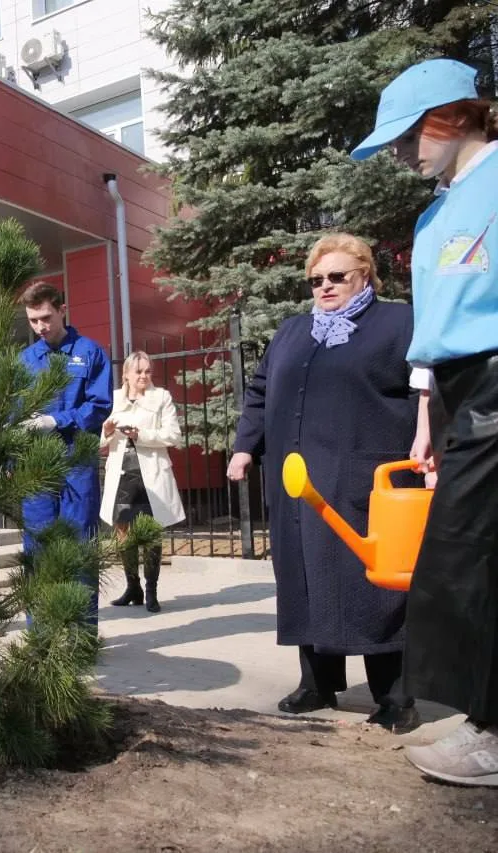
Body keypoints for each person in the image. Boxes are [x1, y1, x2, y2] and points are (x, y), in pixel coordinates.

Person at [351, 58, 498, 782]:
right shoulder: (436, 211)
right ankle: (486, 717)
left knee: (468, 556)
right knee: (467, 556)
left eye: (411, 135)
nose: (404, 153)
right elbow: (434, 331)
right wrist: (427, 416)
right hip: (457, 391)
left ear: (461, 115)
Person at [228, 232, 420, 732]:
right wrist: (245, 446)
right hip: (299, 487)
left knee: (373, 587)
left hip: (365, 477)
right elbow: (261, 390)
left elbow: (427, 387)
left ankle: (395, 696)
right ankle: (317, 683)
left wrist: (430, 444)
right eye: (316, 279)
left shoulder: (399, 322)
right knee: (305, 580)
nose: (326, 287)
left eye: (338, 276)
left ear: (365, 275)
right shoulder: (293, 331)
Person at [18, 283, 112, 623]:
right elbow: (15, 412)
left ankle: (81, 633)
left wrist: (56, 420)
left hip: (76, 465)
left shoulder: (90, 353)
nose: (41, 327)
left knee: (79, 547)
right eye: (33, 321)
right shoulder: (25, 360)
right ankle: (39, 634)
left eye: (46, 317)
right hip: (37, 467)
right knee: (38, 548)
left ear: (62, 309)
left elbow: (99, 406)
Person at [99, 351, 185, 613]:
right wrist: (106, 432)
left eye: (148, 371)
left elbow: (173, 436)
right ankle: (132, 587)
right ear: (125, 374)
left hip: (151, 473)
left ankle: (151, 591)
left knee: (150, 533)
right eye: (138, 372)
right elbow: (99, 441)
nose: (144, 376)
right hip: (121, 472)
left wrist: (141, 434)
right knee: (123, 532)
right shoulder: (113, 399)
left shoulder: (161, 398)